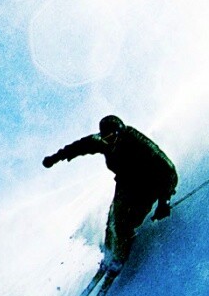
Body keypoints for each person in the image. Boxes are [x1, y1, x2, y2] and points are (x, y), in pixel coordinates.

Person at [43, 115, 179, 272]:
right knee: (113, 219)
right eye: (106, 139)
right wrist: (55, 157)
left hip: (148, 184)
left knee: (127, 221)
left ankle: (120, 253)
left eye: (112, 137)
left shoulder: (137, 142)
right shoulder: (103, 142)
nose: (110, 142)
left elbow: (168, 169)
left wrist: (164, 201)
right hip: (126, 184)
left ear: (119, 133)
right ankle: (110, 254)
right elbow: (79, 146)